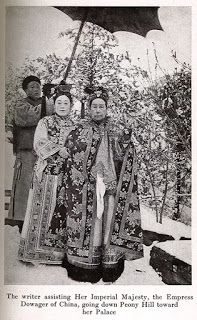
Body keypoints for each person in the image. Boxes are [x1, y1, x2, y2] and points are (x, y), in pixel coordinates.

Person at [46, 87, 143, 283]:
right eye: (94, 106)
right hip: (84, 190)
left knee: (106, 226)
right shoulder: (79, 130)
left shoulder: (116, 129)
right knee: (89, 225)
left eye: (101, 106)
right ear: (89, 108)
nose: (98, 110)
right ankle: (83, 269)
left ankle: (109, 268)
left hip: (109, 188)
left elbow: (124, 156)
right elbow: (71, 157)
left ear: (107, 108)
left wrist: (125, 140)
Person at [18, 89, 75, 264]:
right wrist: (59, 149)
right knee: (42, 208)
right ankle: (34, 251)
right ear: (54, 105)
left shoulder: (76, 126)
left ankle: (57, 255)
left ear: (71, 106)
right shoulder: (46, 121)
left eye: (66, 103)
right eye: (59, 103)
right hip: (47, 171)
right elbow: (39, 142)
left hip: (67, 175)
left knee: (61, 212)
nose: (62, 106)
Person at [8, 75, 54, 223]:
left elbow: (53, 113)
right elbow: (29, 117)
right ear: (26, 90)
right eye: (32, 86)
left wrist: (49, 98)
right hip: (27, 152)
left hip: (42, 152)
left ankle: (39, 219)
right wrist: (47, 102)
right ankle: (20, 221)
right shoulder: (20, 104)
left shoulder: (45, 102)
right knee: (24, 185)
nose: (36, 89)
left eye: (38, 86)